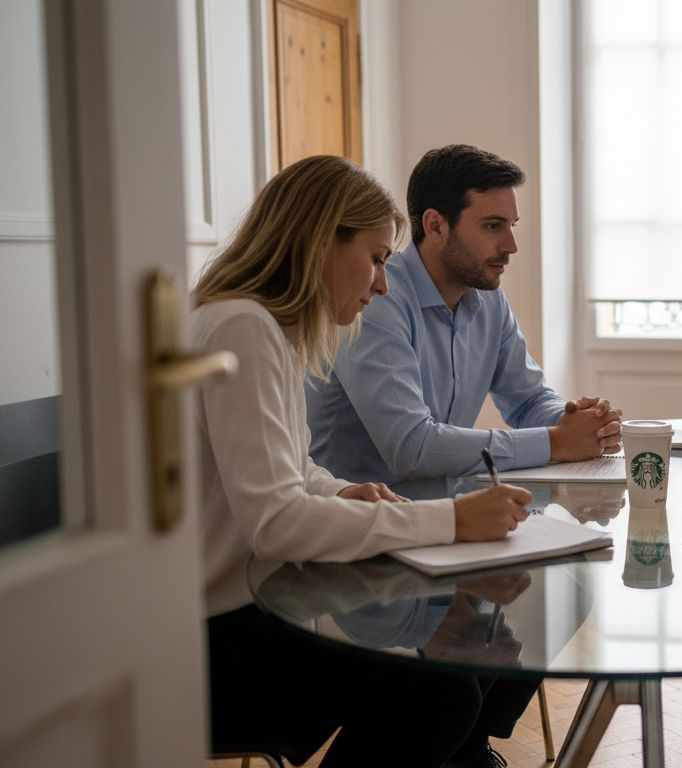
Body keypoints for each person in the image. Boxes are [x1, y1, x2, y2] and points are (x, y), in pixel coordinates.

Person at [193, 154, 537, 768]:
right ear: (320, 242)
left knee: (454, 676)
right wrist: (454, 519)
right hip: (206, 636)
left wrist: (337, 492)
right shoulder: (244, 330)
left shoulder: (252, 325)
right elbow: (275, 522)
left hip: (240, 608)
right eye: (377, 258)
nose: (382, 283)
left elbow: (295, 472)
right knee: (438, 693)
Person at [306, 144, 622, 483]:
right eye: (492, 226)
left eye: (512, 225)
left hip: (442, 511)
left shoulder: (489, 301)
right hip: (362, 521)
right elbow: (411, 448)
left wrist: (581, 423)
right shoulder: (375, 300)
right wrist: (555, 441)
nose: (511, 245)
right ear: (436, 226)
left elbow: (528, 400)